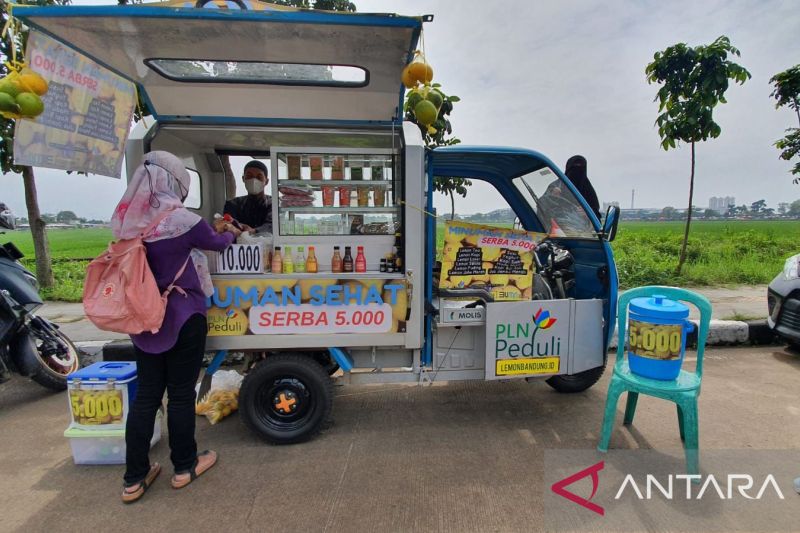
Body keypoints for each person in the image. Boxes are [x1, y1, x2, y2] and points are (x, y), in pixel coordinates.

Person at [111, 151, 241, 504]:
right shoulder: (180, 219)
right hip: (183, 315)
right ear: (174, 182)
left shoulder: (126, 222)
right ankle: (184, 467)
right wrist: (230, 233)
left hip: (143, 318)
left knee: (147, 397)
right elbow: (216, 242)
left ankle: (134, 479)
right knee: (181, 394)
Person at [222, 160, 272, 234]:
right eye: (249, 176)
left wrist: (254, 231)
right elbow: (228, 225)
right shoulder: (232, 204)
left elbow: (273, 225)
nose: (254, 180)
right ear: (243, 179)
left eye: (259, 177)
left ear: (266, 181)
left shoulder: (273, 204)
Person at [563, 155, 601, 220]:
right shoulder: (557, 187)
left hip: (582, 229)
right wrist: (553, 193)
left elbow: (596, 216)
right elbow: (543, 206)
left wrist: (588, 212)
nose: (576, 173)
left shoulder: (589, 191)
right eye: (573, 169)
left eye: (580, 169)